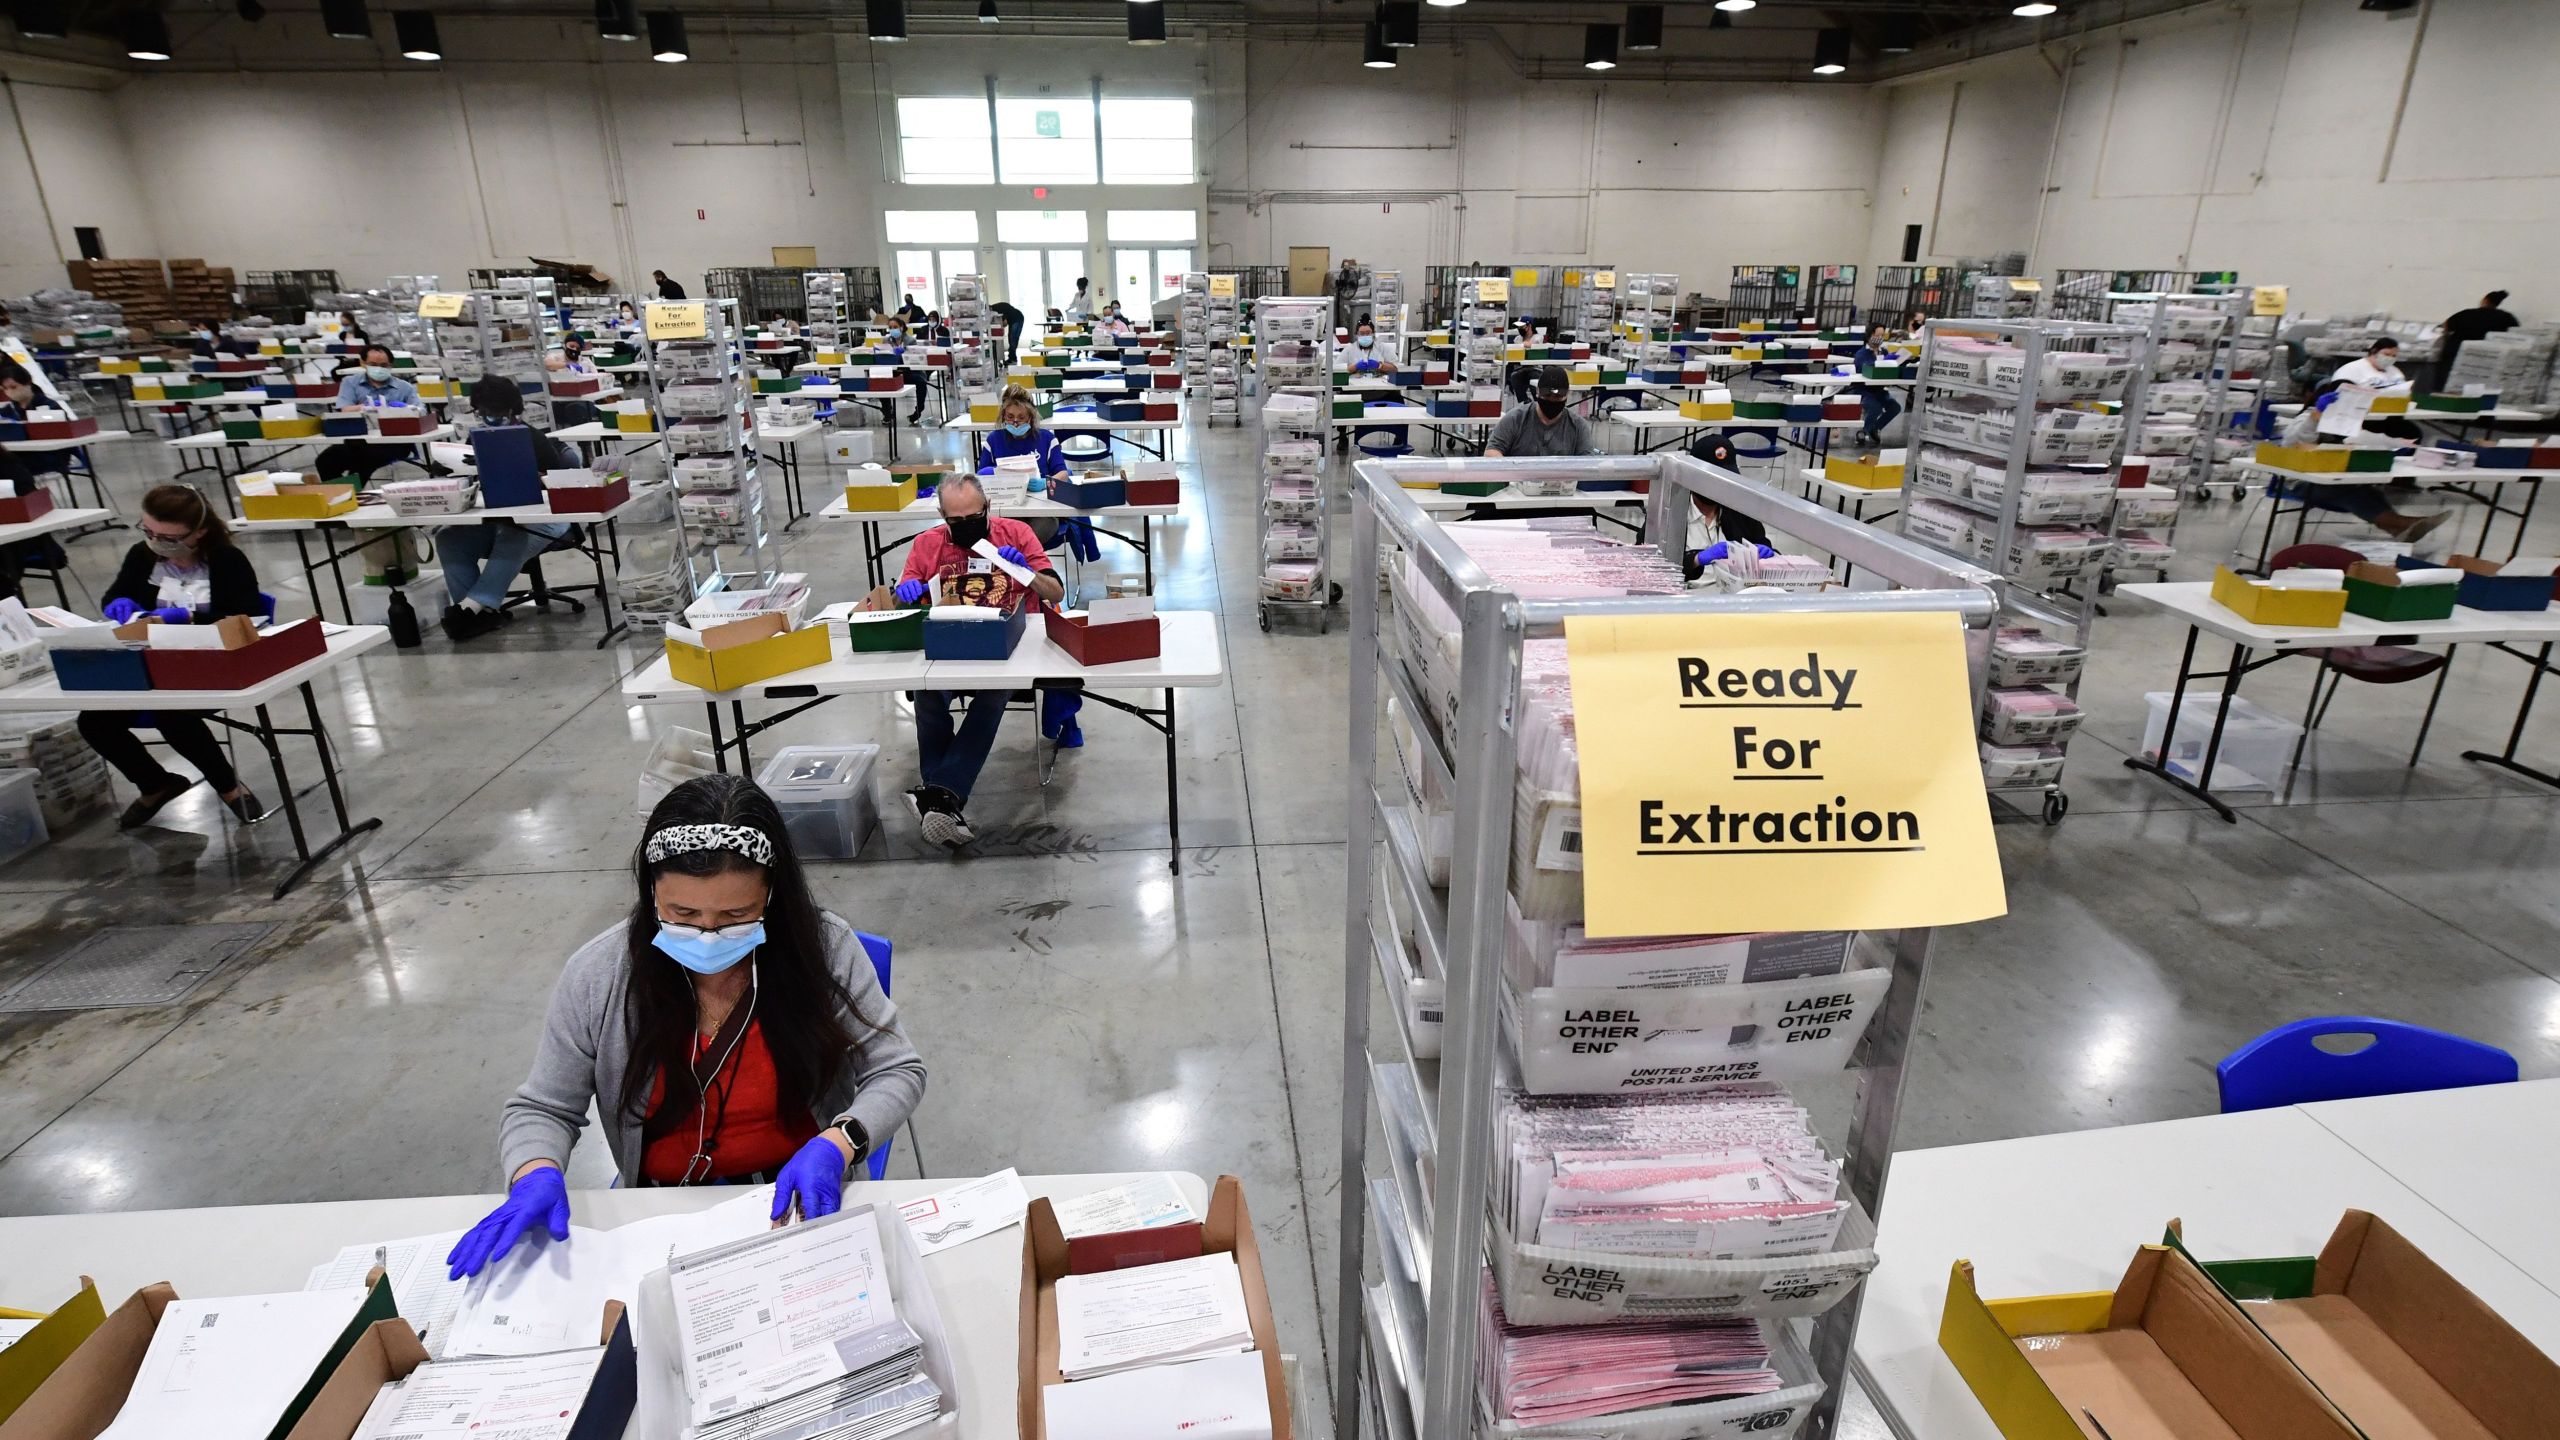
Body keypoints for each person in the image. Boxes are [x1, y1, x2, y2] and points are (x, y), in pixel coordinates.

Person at [444, 774, 926, 1278]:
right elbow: (542, 1106)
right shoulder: (599, 975)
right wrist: (534, 1170)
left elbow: (898, 1069)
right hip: (661, 1214)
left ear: (772, 897)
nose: (709, 935)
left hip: (798, 1197)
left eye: (736, 914)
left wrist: (840, 1140)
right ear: (651, 893)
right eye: (683, 913)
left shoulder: (823, 951)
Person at [78, 485, 269, 829]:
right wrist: (118, 606)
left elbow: (247, 616)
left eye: (168, 537)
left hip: (213, 662)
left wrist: (189, 619)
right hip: (151, 661)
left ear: (200, 532)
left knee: (173, 711)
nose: (156, 542)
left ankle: (228, 788)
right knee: (94, 720)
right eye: (149, 531)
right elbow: (117, 593)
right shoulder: (143, 555)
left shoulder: (227, 560)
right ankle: (155, 783)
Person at [890, 474, 1065, 848]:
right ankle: (943, 799)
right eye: (957, 521)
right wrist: (904, 594)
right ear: (942, 515)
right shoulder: (927, 544)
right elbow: (903, 604)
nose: (967, 526)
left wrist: (1028, 573)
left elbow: (1056, 590)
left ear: (987, 508)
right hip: (948, 647)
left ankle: (937, 793)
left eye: (975, 516)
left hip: (1006, 649)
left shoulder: (1015, 534)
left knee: (994, 694)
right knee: (927, 695)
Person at [440, 375, 582, 642]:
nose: (489, 417)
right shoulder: (478, 439)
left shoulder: (534, 439)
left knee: (515, 535)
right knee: (449, 538)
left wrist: (537, 478)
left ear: (512, 410)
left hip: (547, 518)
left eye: (495, 412)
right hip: (496, 517)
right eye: (483, 412)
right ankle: (480, 614)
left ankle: (468, 609)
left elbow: (560, 487)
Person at [2270, 383, 2446, 543]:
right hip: (2299, 481)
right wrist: (2315, 417)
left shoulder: (2344, 422)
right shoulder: (2305, 419)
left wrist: (2394, 443)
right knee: (2347, 491)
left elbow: (2359, 439)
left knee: (2368, 491)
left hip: (2333, 475)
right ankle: (2400, 523)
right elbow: (2293, 443)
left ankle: (2397, 527)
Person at [0, 361, 71, 582]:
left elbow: (58, 438)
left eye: (14, 387)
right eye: (6, 389)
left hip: (45, 459)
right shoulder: (8, 411)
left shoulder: (47, 406)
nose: (10, 392)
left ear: (27, 383)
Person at [310, 344, 423, 483]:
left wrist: (405, 408)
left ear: (390, 365)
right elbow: (344, 408)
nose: (379, 368)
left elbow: (420, 410)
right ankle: (340, 495)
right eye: (373, 364)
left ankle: (351, 495)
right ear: (363, 363)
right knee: (325, 461)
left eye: (384, 365)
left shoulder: (404, 387)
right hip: (359, 439)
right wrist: (367, 407)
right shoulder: (351, 382)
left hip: (394, 442)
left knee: (364, 461)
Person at [1681, 435, 1774, 581]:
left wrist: (1768, 554)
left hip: (1735, 596)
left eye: (1726, 478)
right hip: (1685, 596)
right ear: (1693, 476)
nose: (1720, 486)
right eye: (1713, 479)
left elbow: (1763, 545)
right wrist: (1695, 560)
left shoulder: (1740, 511)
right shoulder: (1672, 512)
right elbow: (1648, 567)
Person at [1484, 366, 1597, 458]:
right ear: (1537, 392)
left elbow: (1587, 463)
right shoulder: (1515, 419)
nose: (1552, 400)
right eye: (1547, 395)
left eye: (1557, 396)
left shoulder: (1578, 426)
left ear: (1567, 394)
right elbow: (1492, 452)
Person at [2327, 337, 2423, 441]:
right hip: (2360, 419)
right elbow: (2342, 397)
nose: (2390, 358)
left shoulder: (2395, 372)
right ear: (2374, 351)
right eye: (2386, 354)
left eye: (2394, 356)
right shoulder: (2351, 370)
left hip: (2388, 418)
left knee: (2414, 434)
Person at [2438, 289, 2520, 378]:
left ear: (2485, 300)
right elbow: (2515, 335)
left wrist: (2446, 340)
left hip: (2457, 355)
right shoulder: (2507, 317)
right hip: (2487, 360)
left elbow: (2446, 326)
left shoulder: (2466, 313)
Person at [1848, 322, 1903, 448]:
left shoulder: (1884, 351)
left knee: (1895, 407)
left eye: (1882, 335)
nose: (1880, 337)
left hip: (1880, 390)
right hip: (1863, 390)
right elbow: (1865, 368)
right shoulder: (1861, 353)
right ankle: (1863, 432)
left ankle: (1875, 428)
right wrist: (1882, 363)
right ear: (1869, 335)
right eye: (1877, 335)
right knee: (1875, 408)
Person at [545, 334, 602, 430]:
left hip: (583, 401)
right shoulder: (556, 357)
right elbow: (548, 364)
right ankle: (556, 443)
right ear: (565, 345)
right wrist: (567, 365)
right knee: (550, 414)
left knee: (575, 409)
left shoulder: (586, 362)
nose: (574, 349)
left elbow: (597, 380)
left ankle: (584, 443)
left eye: (577, 347)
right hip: (561, 400)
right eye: (571, 346)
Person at [989, 299, 1025, 368]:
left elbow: (1005, 323)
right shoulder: (996, 307)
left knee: (1012, 339)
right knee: (1012, 339)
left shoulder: (996, 310)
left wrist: (996, 327)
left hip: (1017, 319)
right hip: (1016, 318)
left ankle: (1013, 359)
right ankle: (1012, 358)